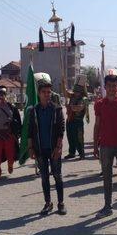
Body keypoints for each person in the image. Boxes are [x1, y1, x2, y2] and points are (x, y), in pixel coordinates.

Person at [93, 73, 117, 220]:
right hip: (105, 147)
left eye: (114, 86)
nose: (112, 89)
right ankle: (107, 207)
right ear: (105, 87)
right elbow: (96, 126)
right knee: (107, 178)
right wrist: (95, 146)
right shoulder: (99, 104)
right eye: (109, 86)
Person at [28, 79, 66, 216]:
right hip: (40, 150)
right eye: (44, 92)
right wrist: (31, 148)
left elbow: (61, 129)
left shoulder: (57, 109)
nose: (47, 94)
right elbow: (31, 130)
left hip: (54, 149)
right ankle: (47, 203)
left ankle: (61, 203)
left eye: (49, 92)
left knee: (57, 176)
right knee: (44, 178)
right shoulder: (34, 110)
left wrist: (59, 147)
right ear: (39, 93)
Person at [65, 80, 90, 160]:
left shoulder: (84, 99)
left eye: (77, 91)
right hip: (70, 120)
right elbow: (65, 93)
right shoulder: (72, 96)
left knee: (79, 138)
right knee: (70, 137)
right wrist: (63, 83)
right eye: (75, 91)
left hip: (78, 121)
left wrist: (70, 107)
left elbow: (79, 108)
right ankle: (71, 153)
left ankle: (81, 154)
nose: (75, 93)